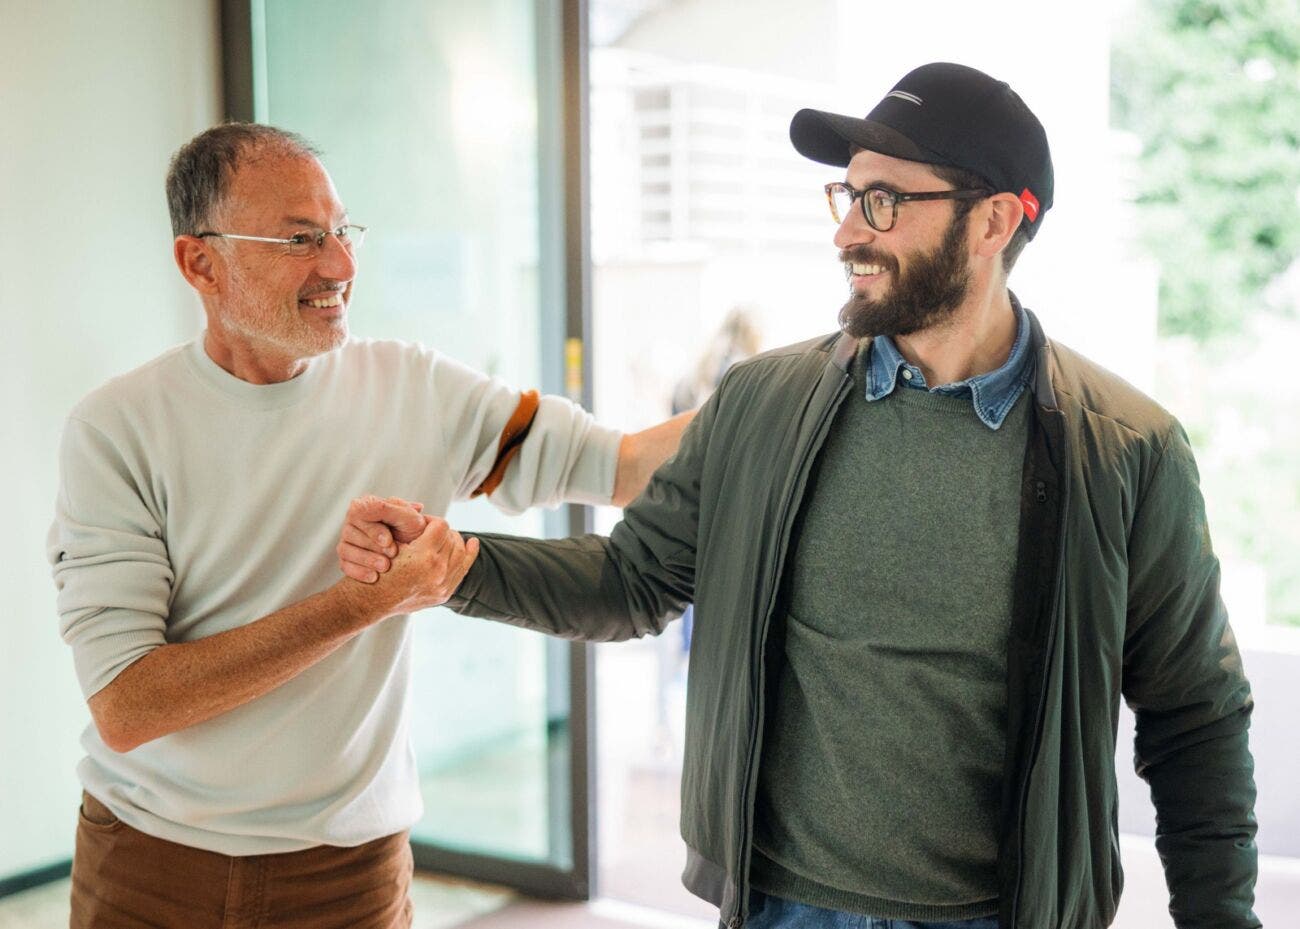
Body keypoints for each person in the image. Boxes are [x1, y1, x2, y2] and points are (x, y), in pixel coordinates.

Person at [342, 63, 1261, 929]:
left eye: (884, 200)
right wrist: (457, 565)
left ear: (994, 222)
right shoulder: (761, 404)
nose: (847, 230)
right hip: (784, 903)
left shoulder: (1126, 451)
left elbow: (1194, 717)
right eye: (846, 195)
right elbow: (634, 580)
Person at [46, 122, 690, 929]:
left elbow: (623, 466)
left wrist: (779, 396)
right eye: (300, 239)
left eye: (343, 231)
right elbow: (129, 704)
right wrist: (363, 604)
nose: (341, 266)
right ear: (200, 263)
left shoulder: (413, 388)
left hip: (351, 878)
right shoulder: (118, 428)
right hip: (154, 866)